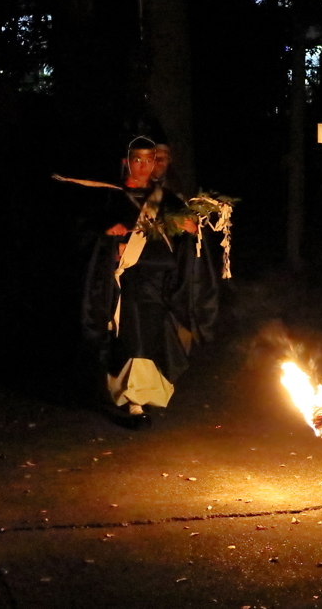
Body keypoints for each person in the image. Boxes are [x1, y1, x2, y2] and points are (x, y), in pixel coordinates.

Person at [79, 137, 219, 427]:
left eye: (149, 160)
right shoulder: (108, 197)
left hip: (163, 284)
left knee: (157, 339)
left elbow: (186, 242)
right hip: (129, 283)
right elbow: (85, 236)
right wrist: (109, 243)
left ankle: (146, 394)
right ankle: (134, 402)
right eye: (137, 160)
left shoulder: (167, 199)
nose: (143, 167)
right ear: (127, 162)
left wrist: (191, 230)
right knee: (135, 339)